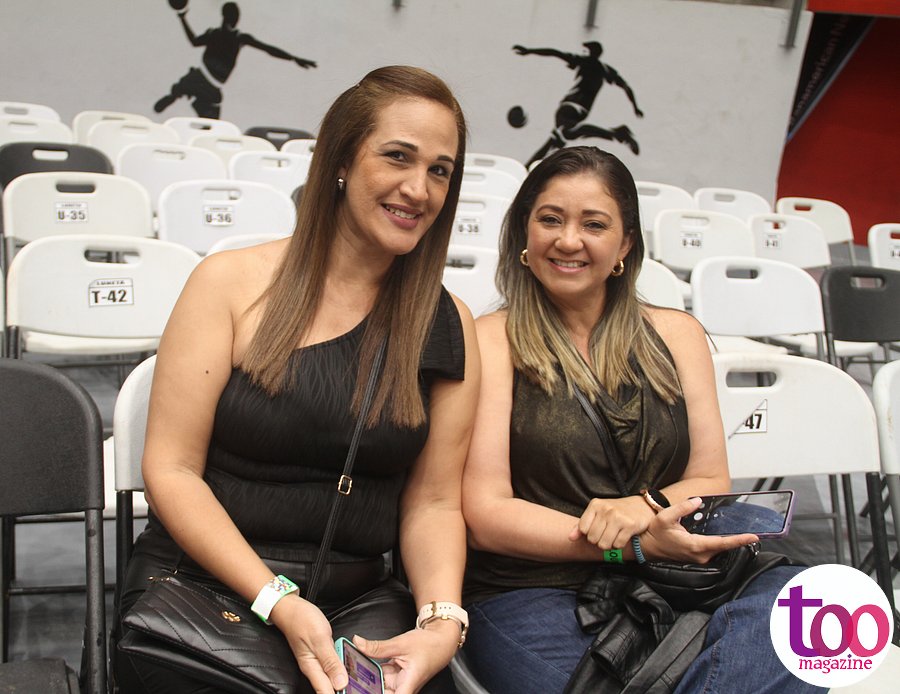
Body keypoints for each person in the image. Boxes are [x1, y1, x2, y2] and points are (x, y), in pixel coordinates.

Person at [114, 65, 479, 694]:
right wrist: (277, 600)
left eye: (440, 170)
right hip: (207, 582)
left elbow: (435, 502)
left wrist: (442, 621)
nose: (418, 189)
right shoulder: (229, 284)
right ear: (340, 160)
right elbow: (172, 470)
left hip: (358, 597)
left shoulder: (448, 323)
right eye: (398, 156)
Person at [460, 146, 823, 693]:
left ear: (625, 244)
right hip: (533, 589)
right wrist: (632, 544)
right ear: (523, 235)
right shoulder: (490, 341)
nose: (568, 240)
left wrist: (642, 510)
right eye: (550, 219)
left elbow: (709, 478)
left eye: (594, 224)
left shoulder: (677, 334)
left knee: (817, 616)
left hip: (674, 577)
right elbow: (487, 514)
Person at [154, 2, 317, 118]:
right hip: (203, 79)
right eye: (234, 16)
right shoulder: (221, 35)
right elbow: (194, 42)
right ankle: (175, 95)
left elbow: (268, 49)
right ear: (229, 17)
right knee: (187, 89)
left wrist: (293, 58)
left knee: (210, 122)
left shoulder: (235, 37)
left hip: (209, 84)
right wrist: (182, 18)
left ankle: (178, 95)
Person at [512, 42, 643, 166]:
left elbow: (555, 53)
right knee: (557, 140)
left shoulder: (585, 61)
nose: (583, 53)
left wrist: (529, 51)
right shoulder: (606, 70)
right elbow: (626, 87)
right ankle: (527, 168)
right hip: (582, 111)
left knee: (563, 135)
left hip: (570, 105)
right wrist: (635, 107)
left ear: (592, 52)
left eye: (585, 51)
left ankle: (617, 133)